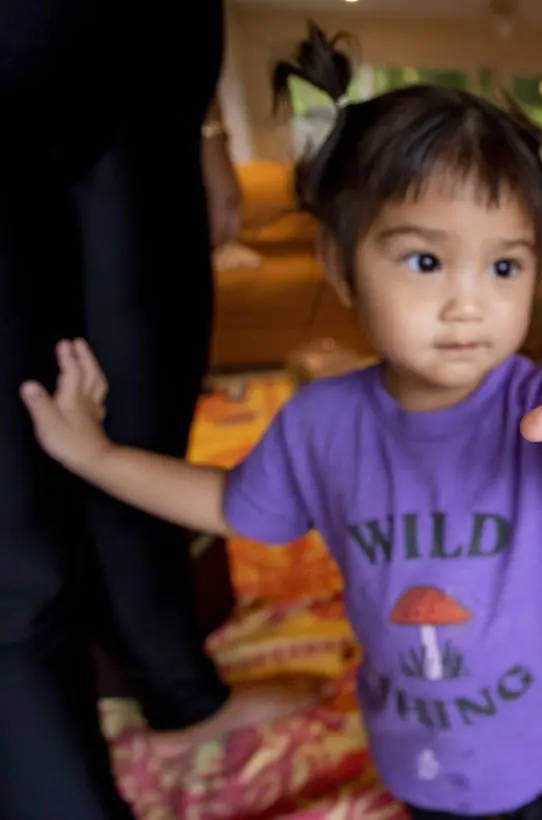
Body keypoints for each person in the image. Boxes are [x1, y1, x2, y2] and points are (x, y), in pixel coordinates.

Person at [19, 23, 542, 820]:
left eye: (505, 265)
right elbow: (229, 504)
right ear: (339, 262)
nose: (468, 302)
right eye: (425, 260)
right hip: (416, 759)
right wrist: (94, 455)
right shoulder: (320, 422)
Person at [0, 4, 316, 817]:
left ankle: (181, 696)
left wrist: (207, 130)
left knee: (144, 424)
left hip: (149, 84)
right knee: (17, 537)